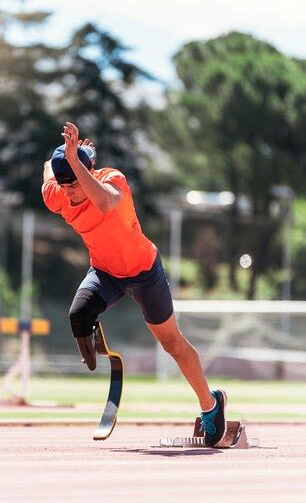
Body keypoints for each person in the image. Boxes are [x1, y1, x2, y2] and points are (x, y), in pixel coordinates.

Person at [42, 121, 227, 446]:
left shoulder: (112, 181)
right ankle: (96, 339)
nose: (70, 192)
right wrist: (73, 155)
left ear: (89, 172)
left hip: (144, 272)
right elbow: (48, 169)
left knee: (172, 344)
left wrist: (76, 160)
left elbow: (105, 202)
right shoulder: (55, 194)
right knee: (78, 316)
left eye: (75, 183)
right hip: (105, 273)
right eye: (65, 185)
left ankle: (211, 406)